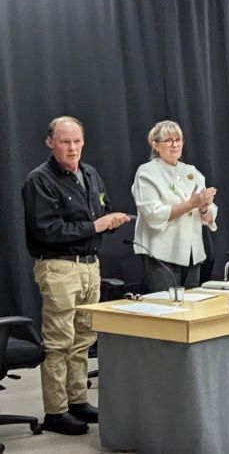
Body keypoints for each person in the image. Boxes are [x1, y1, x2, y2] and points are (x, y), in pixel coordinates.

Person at [22, 116, 131, 434]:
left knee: (84, 338)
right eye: (65, 142)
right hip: (58, 266)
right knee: (59, 341)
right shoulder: (39, 180)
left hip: (89, 265)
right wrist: (94, 226)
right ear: (50, 142)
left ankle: (77, 400)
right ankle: (56, 411)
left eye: (77, 141)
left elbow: (102, 208)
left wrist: (110, 220)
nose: (72, 148)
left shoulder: (90, 174)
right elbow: (46, 230)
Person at [131, 120, 218, 291]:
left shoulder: (191, 172)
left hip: (192, 255)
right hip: (162, 255)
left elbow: (209, 215)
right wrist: (191, 203)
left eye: (178, 139)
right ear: (155, 145)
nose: (175, 144)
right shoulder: (147, 172)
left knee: (192, 305)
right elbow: (153, 214)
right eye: (169, 140)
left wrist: (203, 208)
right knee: (166, 305)